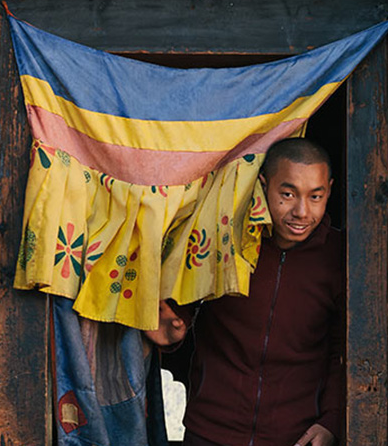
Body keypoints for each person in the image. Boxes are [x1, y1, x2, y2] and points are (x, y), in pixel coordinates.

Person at [146, 138, 345, 446]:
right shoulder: (227, 240)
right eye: (288, 194)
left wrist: (332, 422)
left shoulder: (340, 257)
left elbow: (342, 351)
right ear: (264, 184)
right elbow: (187, 294)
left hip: (296, 436)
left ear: (329, 190)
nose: (302, 212)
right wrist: (175, 325)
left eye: (315, 196)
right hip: (210, 430)